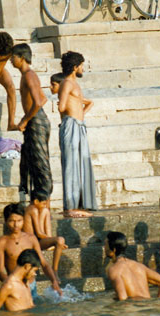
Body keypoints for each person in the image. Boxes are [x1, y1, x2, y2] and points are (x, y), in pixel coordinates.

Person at [58, 51, 97, 218]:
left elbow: (84, 103)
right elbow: (61, 107)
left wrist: (81, 112)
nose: (83, 68)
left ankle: (81, 203)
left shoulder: (74, 84)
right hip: (71, 125)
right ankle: (70, 206)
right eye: (81, 65)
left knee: (82, 162)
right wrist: (74, 114)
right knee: (71, 165)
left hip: (79, 125)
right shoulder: (66, 83)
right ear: (75, 67)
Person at [10, 43, 52, 199]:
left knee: (40, 162)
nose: (11, 61)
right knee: (28, 160)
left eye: (13, 57)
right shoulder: (26, 75)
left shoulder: (29, 75)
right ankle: (34, 198)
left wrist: (25, 120)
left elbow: (38, 102)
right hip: (34, 119)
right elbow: (44, 98)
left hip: (36, 121)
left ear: (21, 58)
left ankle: (44, 198)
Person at [0, 203, 62, 295]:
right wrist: (13, 285)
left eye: (19, 220)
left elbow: (44, 264)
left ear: (23, 220)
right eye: (12, 221)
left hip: (31, 285)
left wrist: (54, 280)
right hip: (14, 287)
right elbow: (0, 272)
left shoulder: (31, 238)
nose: (16, 225)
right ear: (6, 221)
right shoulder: (1, 242)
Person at [105, 231, 160, 300]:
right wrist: (158, 303)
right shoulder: (139, 266)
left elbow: (122, 298)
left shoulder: (114, 269)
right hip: (149, 306)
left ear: (114, 249)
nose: (104, 248)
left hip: (134, 308)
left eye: (106, 245)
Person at [23, 190, 67, 282]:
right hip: (30, 243)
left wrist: (53, 241)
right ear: (36, 202)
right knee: (60, 240)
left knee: (46, 211)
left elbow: (44, 233)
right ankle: (54, 271)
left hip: (39, 240)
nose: (45, 206)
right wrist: (56, 241)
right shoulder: (32, 209)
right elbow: (39, 233)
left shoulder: (41, 209)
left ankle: (55, 271)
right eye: (43, 203)